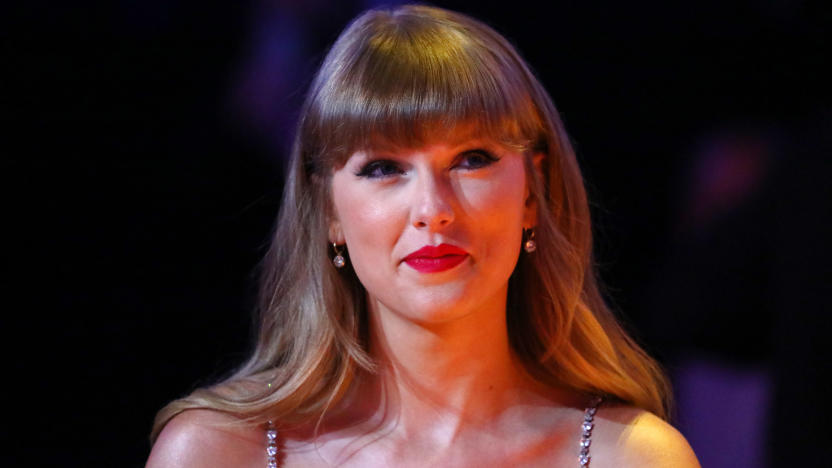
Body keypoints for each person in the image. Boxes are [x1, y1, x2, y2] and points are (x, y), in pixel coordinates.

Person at [146, 5, 699, 467]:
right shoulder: (215, 453)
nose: (433, 211)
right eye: (384, 168)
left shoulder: (631, 457)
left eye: (471, 159)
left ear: (534, 191)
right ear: (328, 210)